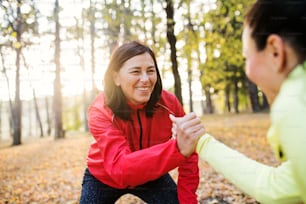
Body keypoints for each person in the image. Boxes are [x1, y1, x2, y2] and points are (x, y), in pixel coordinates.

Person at [170, 0, 306, 203]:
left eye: (246, 57)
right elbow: (282, 188)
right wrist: (202, 142)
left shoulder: (293, 100)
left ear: (275, 51)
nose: (247, 71)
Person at [80, 41, 205, 204]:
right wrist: (177, 148)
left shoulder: (169, 104)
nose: (145, 79)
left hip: (151, 174)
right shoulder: (100, 111)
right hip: (103, 177)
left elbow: (189, 153)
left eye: (150, 71)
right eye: (136, 71)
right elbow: (120, 169)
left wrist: (188, 202)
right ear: (116, 77)